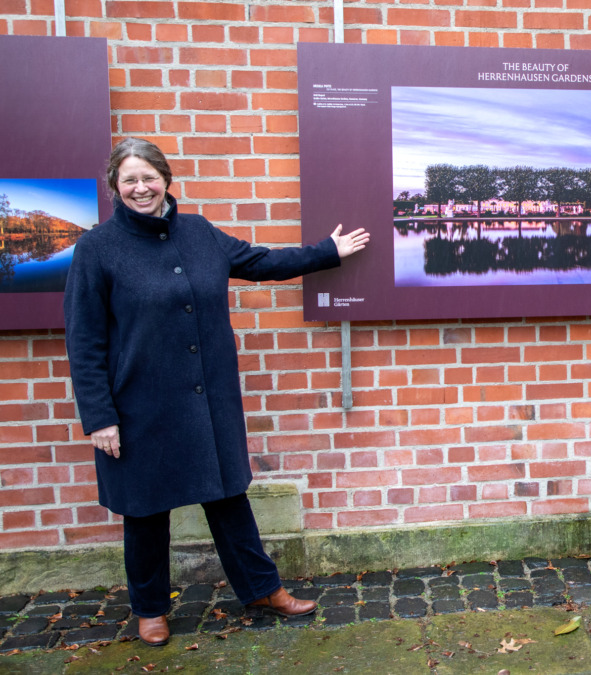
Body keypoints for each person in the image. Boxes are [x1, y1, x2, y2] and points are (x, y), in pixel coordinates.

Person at [63, 137, 369, 646]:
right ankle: (150, 609)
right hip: (137, 405)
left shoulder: (199, 232)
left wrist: (327, 252)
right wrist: (99, 417)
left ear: (166, 179)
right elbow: (84, 340)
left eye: (149, 177)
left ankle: (261, 590)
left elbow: (259, 262)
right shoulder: (97, 249)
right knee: (144, 512)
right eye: (129, 180)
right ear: (115, 187)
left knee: (229, 499)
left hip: (207, 401)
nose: (141, 187)